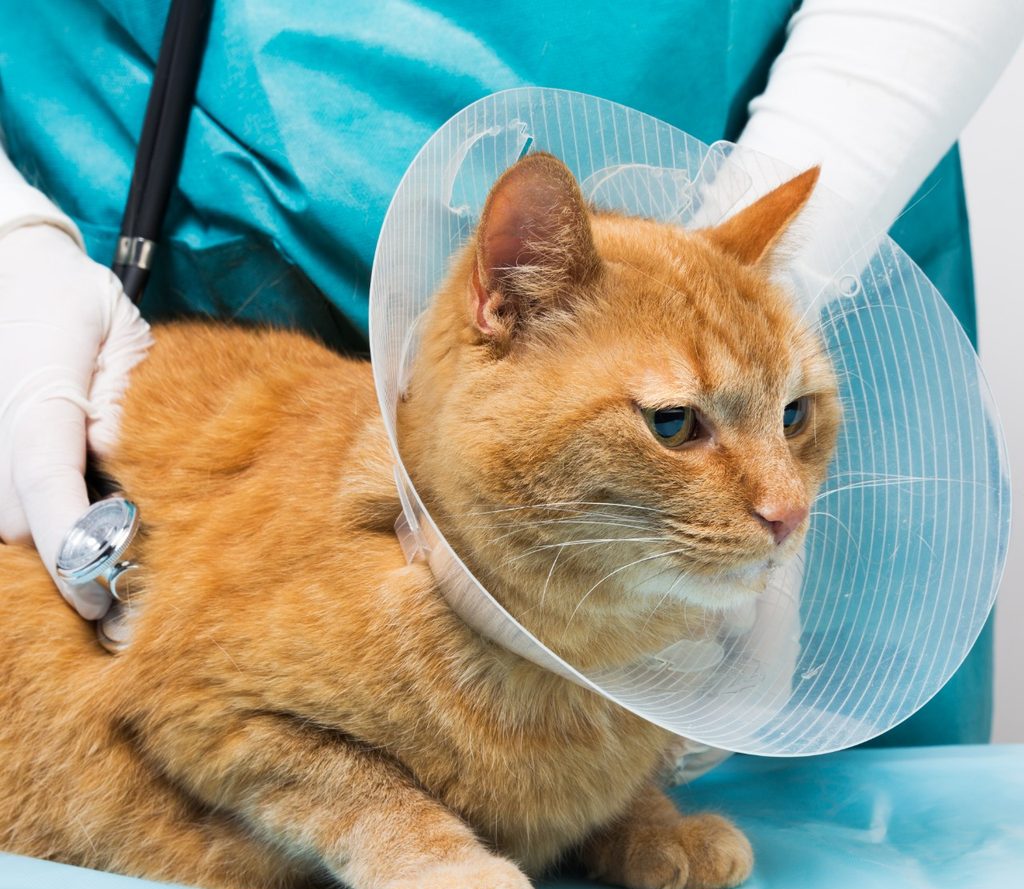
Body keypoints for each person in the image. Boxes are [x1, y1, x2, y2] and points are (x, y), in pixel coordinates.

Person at [1, 0, 1021, 743]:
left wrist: (757, 281)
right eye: (677, 423)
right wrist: (13, 240)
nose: (780, 498)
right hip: (157, 161)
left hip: (770, 144)